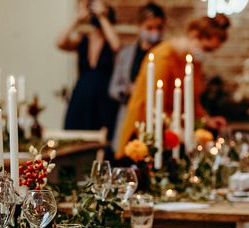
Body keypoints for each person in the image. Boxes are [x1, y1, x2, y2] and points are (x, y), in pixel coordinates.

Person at [115, 13, 231, 158]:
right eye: (207, 49)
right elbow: (153, 106)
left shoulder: (192, 62)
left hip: (174, 135)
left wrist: (207, 120)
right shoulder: (163, 57)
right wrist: (177, 131)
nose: (207, 54)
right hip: (146, 134)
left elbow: (191, 101)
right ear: (194, 36)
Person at [108, 2, 166, 151]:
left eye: (159, 28)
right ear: (140, 26)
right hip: (129, 117)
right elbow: (113, 88)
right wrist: (127, 90)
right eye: (149, 27)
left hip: (155, 119)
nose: (155, 32)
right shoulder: (126, 54)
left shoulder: (164, 55)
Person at [58, 1, 120, 135]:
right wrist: (77, 19)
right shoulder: (83, 39)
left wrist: (102, 17)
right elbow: (60, 43)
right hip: (82, 94)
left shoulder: (109, 40)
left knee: (102, 135)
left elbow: (116, 45)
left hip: (103, 96)